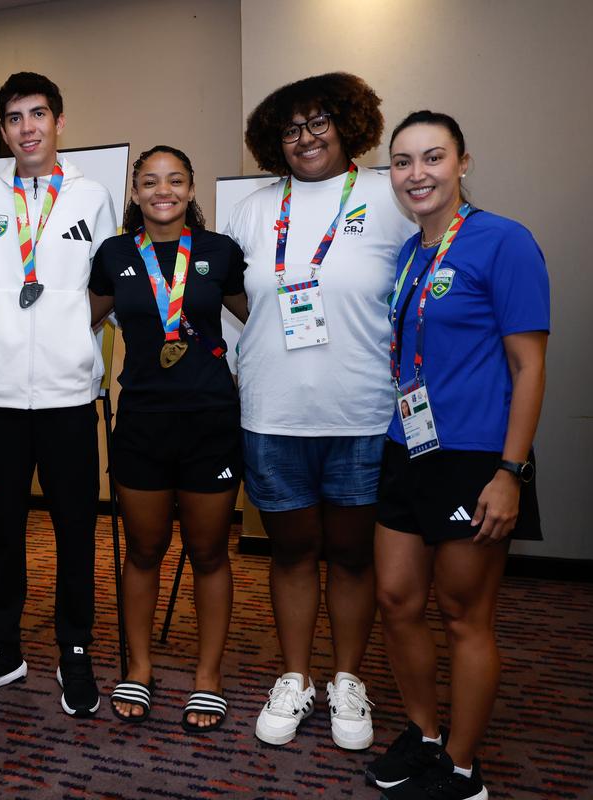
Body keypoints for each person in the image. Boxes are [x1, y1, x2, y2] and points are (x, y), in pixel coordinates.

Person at [226, 72, 418, 750]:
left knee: (353, 556)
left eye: (318, 122)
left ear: (346, 125)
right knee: (291, 552)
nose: (305, 138)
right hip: (273, 415)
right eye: (290, 129)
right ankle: (296, 675)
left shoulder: (388, 196)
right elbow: (232, 301)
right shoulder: (252, 209)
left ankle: (347, 679)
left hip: (363, 412)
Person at [366, 111, 548, 800]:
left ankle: (462, 769)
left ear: (463, 163)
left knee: (464, 614)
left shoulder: (505, 241)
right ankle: (424, 734)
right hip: (407, 446)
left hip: (477, 457)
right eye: (403, 161)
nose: (417, 174)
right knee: (395, 599)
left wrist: (510, 473)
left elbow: (529, 367)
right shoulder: (409, 254)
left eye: (433, 157)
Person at [0, 72, 116, 717]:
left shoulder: (91, 196)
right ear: (3, 130)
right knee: (2, 528)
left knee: (76, 528)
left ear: (59, 121)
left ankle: (74, 648)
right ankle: (3, 646)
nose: (28, 128)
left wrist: (68, 336)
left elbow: (104, 286)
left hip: (67, 395)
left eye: (38, 114)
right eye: (15, 118)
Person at [89, 146, 246, 732]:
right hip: (143, 423)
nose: (163, 191)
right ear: (135, 192)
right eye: (151, 181)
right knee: (144, 550)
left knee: (208, 553)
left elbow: (258, 318)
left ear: (190, 189)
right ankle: (140, 666)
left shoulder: (218, 251)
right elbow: (79, 320)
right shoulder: (114, 255)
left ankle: (209, 675)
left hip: (210, 420)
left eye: (175, 180)